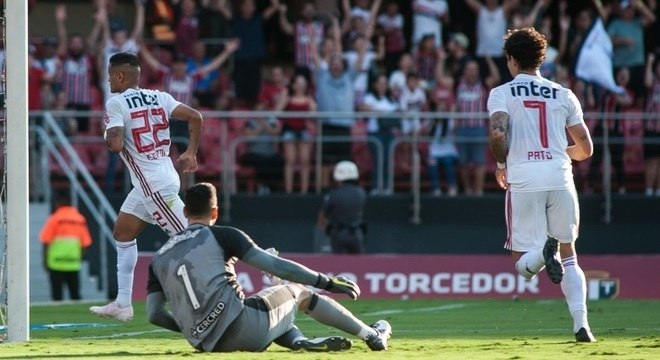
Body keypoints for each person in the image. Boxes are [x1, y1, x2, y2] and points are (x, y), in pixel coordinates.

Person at [147, 182, 391, 352]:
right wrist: (325, 282)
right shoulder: (223, 235)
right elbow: (276, 267)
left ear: (186, 212)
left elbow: (154, 314)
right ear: (215, 211)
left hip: (205, 343)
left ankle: (298, 342)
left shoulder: (159, 256)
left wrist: (195, 330)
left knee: (276, 312)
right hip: (247, 328)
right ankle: (371, 335)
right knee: (298, 291)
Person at [487, 27, 596, 342]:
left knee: (522, 265)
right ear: (541, 58)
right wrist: (559, 153)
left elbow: (497, 133)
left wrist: (501, 164)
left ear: (511, 59)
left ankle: (542, 253)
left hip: (524, 177)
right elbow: (586, 149)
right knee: (571, 254)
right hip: (560, 176)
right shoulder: (563, 93)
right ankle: (582, 326)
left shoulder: (502, 93)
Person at [89, 52, 203, 321]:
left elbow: (115, 145)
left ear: (119, 76)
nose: (107, 80)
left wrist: (106, 131)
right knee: (123, 232)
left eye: (109, 75)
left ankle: (209, 299)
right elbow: (195, 116)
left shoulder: (115, 103)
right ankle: (123, 303)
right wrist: (191, 152)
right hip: (154, 180)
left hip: (153, 185)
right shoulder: (159, 96)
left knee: (193, 241)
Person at [39, 193, 93, 301]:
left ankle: (56, 317)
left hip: (55, 263)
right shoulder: (79, 219)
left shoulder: (54, 219)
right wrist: (80, 258)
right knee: (75, 294)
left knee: (57, 295)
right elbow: (85, 243)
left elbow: (45, 241)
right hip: (73, 262)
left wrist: (45, 261)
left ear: (58, 204)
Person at [275, 74, 316, 194]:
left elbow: (314, 113)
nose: (300, 86)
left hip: (304, 131)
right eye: (298, 83)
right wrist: (283, 97)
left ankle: (304, 190)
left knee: (305, 160)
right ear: (293, 85)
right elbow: (277, 111)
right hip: (289, 130)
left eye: (302, 83)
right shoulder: (287, 98)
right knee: (290, 160)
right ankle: (289, 190)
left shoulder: (309, 99)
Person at [317, 161, 367, 253]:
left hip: (338, 234)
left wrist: (326, 229)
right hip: (357, 233)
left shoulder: (333, 194)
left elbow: (321, 217)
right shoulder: (361, 192)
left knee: (339, 264)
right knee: (360, 264)